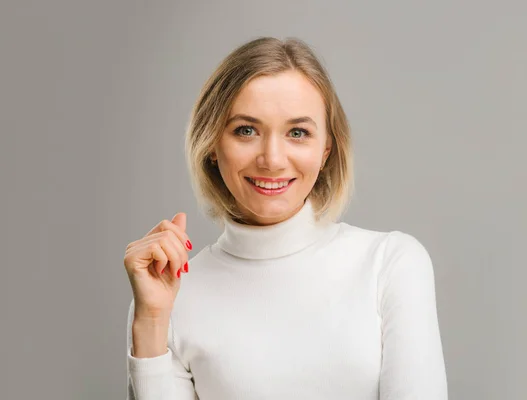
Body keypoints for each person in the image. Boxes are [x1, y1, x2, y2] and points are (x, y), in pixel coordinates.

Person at [123, 36, 448, 400]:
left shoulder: (390, 264)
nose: (273, 159)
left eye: (298, 133)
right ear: (213, 145)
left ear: (325, 150)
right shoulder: (171, 295)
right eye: (246, 130)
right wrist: (151, 320)